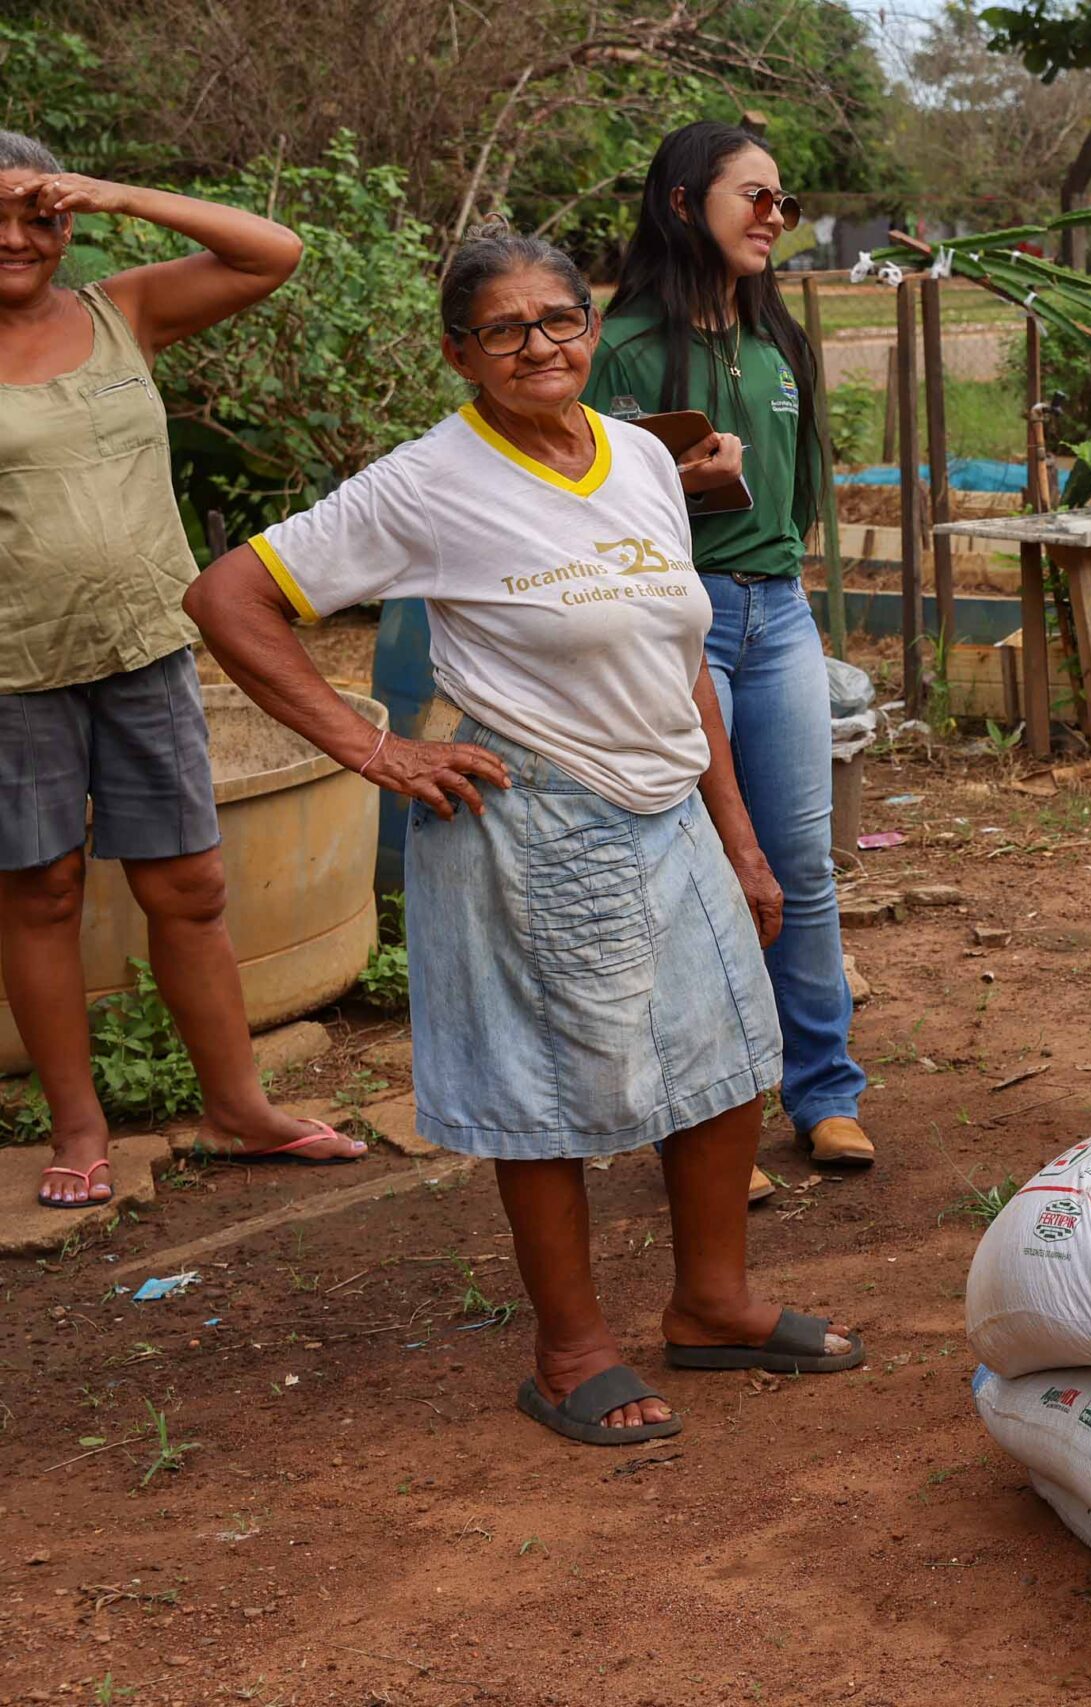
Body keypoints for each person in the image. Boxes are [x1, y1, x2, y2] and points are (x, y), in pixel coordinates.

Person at [185, 231, 862, 1446]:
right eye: (503, 329)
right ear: (460, 353)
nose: (537, 345)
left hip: (671, 803)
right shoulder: (427, 481)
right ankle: (570, 1351)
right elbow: (228, 597)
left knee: (722, 1058)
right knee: (549, 1090)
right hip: (540, 816)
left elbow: (676, 655)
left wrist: (741, 836)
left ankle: (712, 1304)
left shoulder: (637, 456)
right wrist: (374, 747)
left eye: (558, 319)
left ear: (591, 328)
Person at [0, 132, 372, 1209]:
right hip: (14, 665)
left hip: (146, 646)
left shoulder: (123, 311)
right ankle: (78, 1124)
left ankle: (238, 1108)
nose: (17, 238)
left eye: (39, 215)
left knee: (191, 885)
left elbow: (273, 251)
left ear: (70, 220)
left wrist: (119, 191)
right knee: (41, 892)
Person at [585, 122, 873, 1184]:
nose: (773, 217)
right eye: (753, 195)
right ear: (680, 204)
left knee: (801, 864)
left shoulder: (776, 340)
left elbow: (795, 498)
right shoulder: (620, 349)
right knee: (696, 873)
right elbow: (585, 504)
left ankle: (825, 1092)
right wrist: (681, 485)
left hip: (779, 613)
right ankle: (704, 1120)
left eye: (782, 201)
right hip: (675, 620)